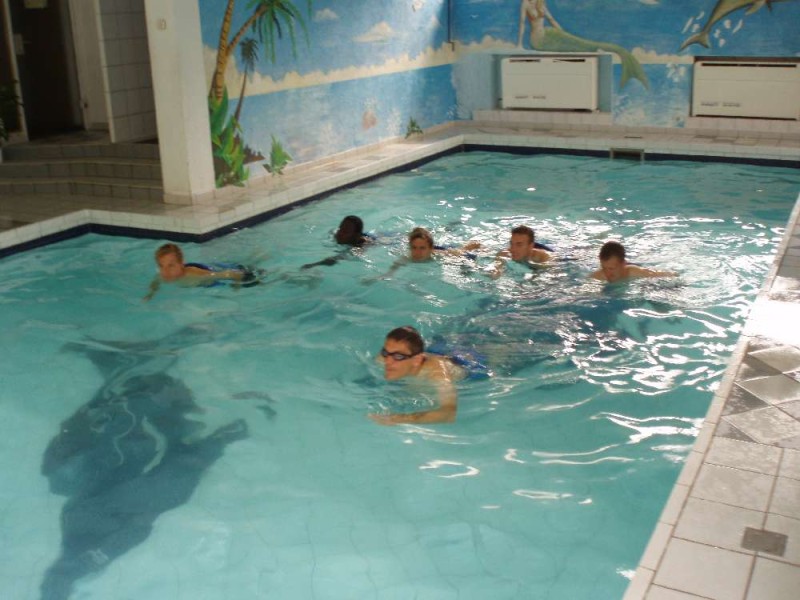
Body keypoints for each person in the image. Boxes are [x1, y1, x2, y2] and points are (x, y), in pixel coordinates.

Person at [369, 326, 466, 425]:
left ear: (417, 360)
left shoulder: (437, 374)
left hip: (465, 362)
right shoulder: (383, 358)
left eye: (398, 356)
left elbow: (448, 413)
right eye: (385, 352)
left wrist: (399, 419)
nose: (387, 362)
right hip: (433, 350)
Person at [143, 243, 259, 301]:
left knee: (251, 273)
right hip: (204, 269)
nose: (165, 271)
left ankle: (257, 257)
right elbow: (156, 282)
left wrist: (236, 288)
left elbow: (232, 274)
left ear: (181, 264)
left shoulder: (195, 275)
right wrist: (150, 294)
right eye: (161, 266)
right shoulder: (163, 275)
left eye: (171, 266)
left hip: (217, 274)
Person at [376, 227, 481, 279]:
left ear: (430, 249)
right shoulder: (408, 257)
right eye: (414, 248)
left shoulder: (439, 254)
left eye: (422, 248)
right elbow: (394, 267)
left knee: (465, 249)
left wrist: (470, 270)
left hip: (451, 250)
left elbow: (466, 258)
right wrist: (386, 275)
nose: (417, 252)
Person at [301, 215, 373, 269]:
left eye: (345, 231)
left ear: (355, 236)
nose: (340, 233)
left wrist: (315, 264)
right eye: (340, 228)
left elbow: (338, 258)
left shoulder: (359, 247)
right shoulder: (336, 234)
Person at [590, 241, 676, 283]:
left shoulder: (634, 271)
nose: (607, 273)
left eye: (611, 269)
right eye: (603, 267)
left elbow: (670, 275)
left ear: (623, 264)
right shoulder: (598, 276)